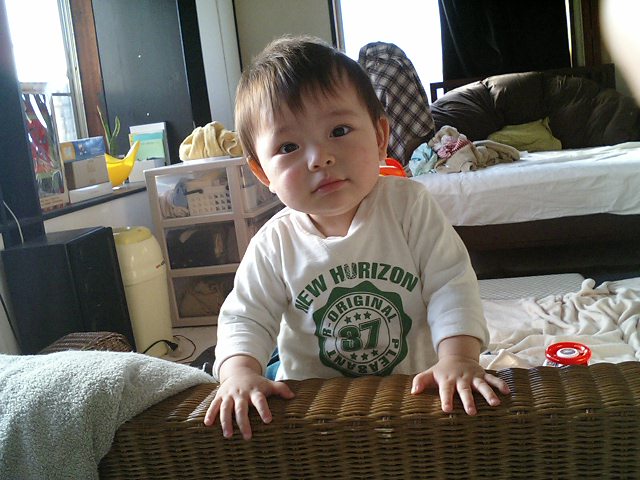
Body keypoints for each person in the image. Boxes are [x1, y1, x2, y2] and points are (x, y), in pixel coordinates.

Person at [204, 35, 509, 440]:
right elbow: (246, 316)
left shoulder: (409, 207)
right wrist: (239, 373)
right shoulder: (274, 243)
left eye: (339, 130)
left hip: (413, 396)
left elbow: (450, 285)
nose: (320, 158)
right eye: (289, 146)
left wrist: (459, 358)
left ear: (381, 138)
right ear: (262, 173)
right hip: (314, 410)